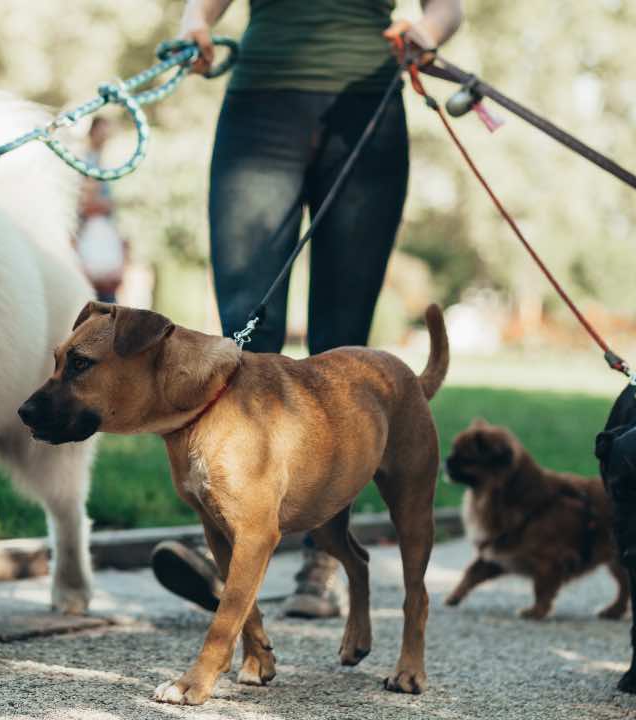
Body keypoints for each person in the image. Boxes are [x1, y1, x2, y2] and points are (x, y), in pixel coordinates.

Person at [151, 0, 464, 619]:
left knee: (338, 347)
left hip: (366, 103)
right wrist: (196, 23)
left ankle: (322, 554)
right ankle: (228, 540)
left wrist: (426, 33)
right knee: (245, 328)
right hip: (262, 105)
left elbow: (444, 7)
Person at [75, 117, 128, 303]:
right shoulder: (87, 162)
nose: (105, 136)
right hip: (89, 239)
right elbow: (86, 201)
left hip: (102, 238)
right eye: (101, 131)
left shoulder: (102, 161)